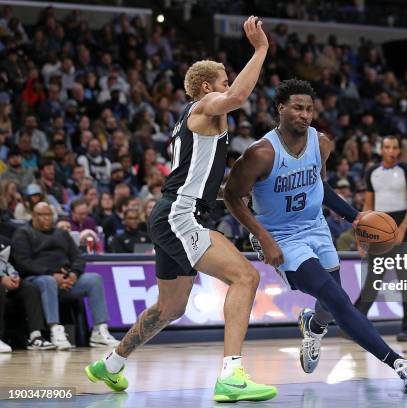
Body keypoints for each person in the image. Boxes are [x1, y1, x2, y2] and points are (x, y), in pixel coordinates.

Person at [85, 16, 278, 403]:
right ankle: (232, 376)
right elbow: (239, 96)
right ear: (208, 88)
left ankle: (111, 364)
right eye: (225, 81)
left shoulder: (200, 120)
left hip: (171, 214)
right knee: (245, 277)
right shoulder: (205, 106)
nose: (230, 87)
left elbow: (202, 173)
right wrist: (260, 50)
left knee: (170, 308)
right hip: (179, 215)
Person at [224, 79, 407, 394]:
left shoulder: (323, 143)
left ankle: (313, 327)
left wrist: (355, 216)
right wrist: (262, 236)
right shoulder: (260, 153)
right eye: (297, 108)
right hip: (282, 236)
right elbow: (231, 196)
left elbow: (319, 186)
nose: (304, 114)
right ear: (281, 109)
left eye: (309, 109)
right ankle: (400, 365)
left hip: (316, 227)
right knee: (338, 299)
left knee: (330, 305)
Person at [11, 202, 119, 350]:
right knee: (48, 281)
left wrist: (74, 274)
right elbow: (23, 262)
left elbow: (78, 257)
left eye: (50, 215)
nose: (48, 219)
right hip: (37, 279)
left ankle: (99, 331)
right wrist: (51, 274)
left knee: (94, 279)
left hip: (66, 279)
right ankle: (55, 330)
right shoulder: (23, 233)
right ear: (35, 216)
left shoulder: (61, 234)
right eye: (44, 215)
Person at [353, 134, 407, 342]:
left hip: (402, 225)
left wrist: (403, 227)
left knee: (405, 280)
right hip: (379, 226)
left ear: (399, 151)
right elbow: (368, 206)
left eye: (394, 147)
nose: (391, 151)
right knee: (373, 279)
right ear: (381, 150)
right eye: (387, 147)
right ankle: (354, 324)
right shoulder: (372, 172)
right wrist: (361, 236)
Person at [0, 235, 55, 352]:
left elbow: (8, 263)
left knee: (29, 288)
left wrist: (14, 276)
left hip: (6, 279)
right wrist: (1, 278)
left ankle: (35, 336)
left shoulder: (5, 241)